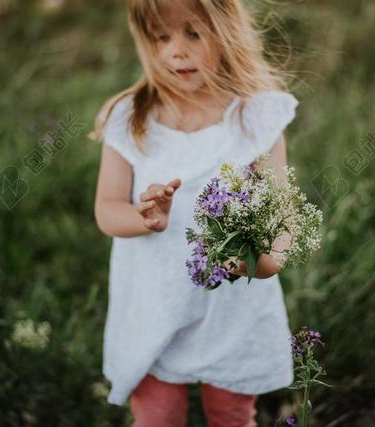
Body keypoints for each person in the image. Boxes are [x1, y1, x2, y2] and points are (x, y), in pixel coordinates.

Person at [90, 1, 299, 425]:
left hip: (229, 312)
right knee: (157, 416)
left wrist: (264, 259)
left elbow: (281, 213)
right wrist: (144, 217)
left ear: (226, 32)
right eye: (161, 37)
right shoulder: (131, 118)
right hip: (154, 303)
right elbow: (107, 210)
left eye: (192, 33)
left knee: (231, 415)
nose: (175, 52)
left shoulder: (254, 118)